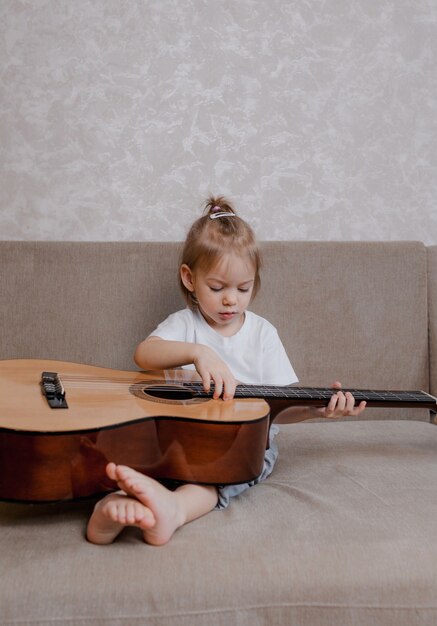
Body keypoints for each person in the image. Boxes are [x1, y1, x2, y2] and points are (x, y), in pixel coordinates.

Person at [86, 196, 366, 546]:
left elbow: (279, 410)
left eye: (243, 288)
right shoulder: (184, 326)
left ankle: (173, 509)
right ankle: (113, 504)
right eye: (217, 288)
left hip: (240, 444)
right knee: (138, 457)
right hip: (177, 436)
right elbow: (144, 353)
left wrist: (314, 409)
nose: (230, 300)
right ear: (190, 279)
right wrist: (198, 352)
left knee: (223, 472)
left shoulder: (262, 333)